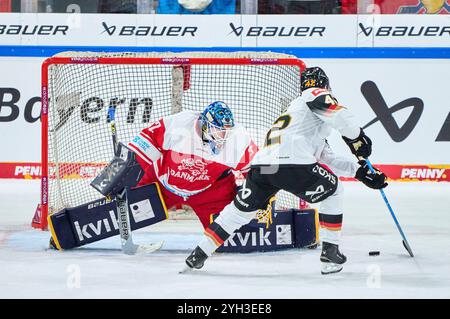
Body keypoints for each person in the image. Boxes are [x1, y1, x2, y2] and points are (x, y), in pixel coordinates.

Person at [183, 67, 388, 275]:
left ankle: (197, 255)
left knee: (236, 214)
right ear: (325, 85)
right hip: (292, 164)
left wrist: (360, 172)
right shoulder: (315, 94)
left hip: (263, 167)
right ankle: (330, 252)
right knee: (334, 191)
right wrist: (357, 137)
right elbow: (341, 117)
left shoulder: (298, 116)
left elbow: (328, 157)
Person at [127, 101, 258, 229]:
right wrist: (123, 177)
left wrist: (260, 196)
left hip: (209, 193)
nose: (222, 136)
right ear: (204, 125)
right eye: (217, 130)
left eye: (225, 131)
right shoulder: (178, 124)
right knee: (127, 213)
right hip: (161, 185)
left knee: (228, 237)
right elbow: (141, 147)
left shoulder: (238, 139)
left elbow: (259, 172)